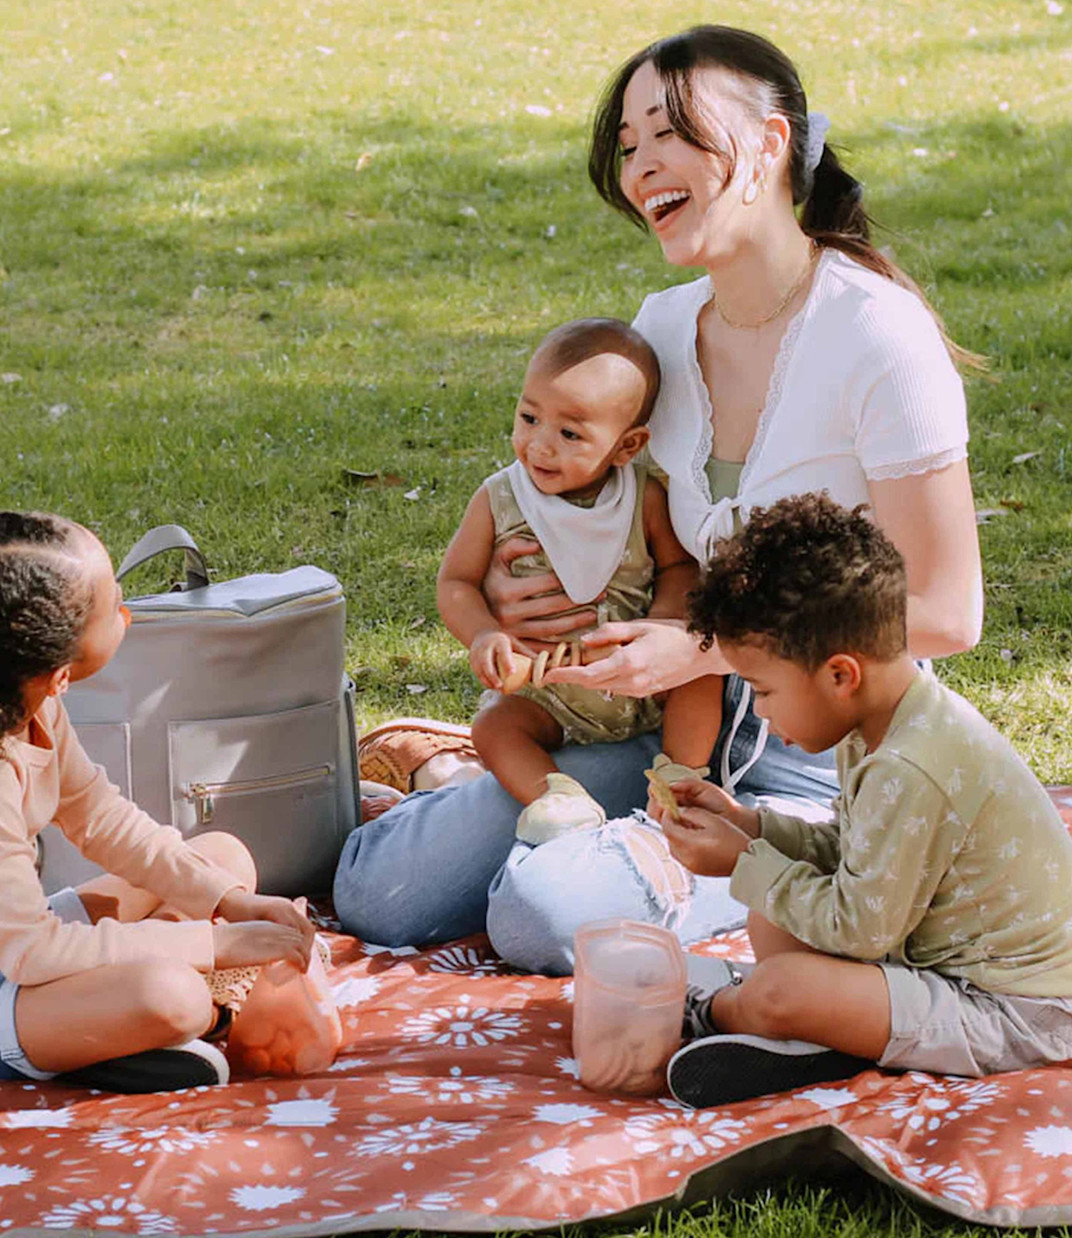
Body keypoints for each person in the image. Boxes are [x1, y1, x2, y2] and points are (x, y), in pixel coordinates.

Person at [334, 24, 983, 974]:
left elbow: (947, 615)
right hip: (652, 726)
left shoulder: (879, 337)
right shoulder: (663, 329)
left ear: (768, 145)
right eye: (630, 144)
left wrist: (708, 647)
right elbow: (593, 510)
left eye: (670, 133)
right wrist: (525, 597)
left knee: (542, 917)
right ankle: (467, 768)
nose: (642, 167)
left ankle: (656, 854)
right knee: (376, 890)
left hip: (819, 754)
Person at [0, 512, 315, 1093]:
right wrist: (212, 946)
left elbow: (102, 820)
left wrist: (228, 903)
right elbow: (34, 952)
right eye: (113, 605)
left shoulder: (27, 701)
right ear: (60, 672)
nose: (126, 611)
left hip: (2, 944)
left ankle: (98, 1028)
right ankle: (126, 1028)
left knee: (223, 858)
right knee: (173, 996)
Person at [656, 494, 1072, 1107]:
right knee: (772, 920)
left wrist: (743, 864)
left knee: (780, 989)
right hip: (925, 958)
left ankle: (711, 1012)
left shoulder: (911, 764)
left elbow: (858, 930)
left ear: (840, 674)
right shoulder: (878, 724)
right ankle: (838, 1037)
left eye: (764, 692)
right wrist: (752, 827)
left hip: (1012, 1010)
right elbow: (853, 853)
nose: (761, 715)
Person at [438, 317, 721, 845]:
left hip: (646, 681)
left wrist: (662, 624)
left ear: (627, 446)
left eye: (570, 434)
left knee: (703, 673)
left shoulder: (644, 498)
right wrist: (483, 633)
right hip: (549, 690)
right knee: (495, 725)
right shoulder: (499, 500)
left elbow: (681, 569)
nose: (540, 446)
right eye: (528, 417)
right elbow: (456, 581)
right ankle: (556, 796)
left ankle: (680, 777)